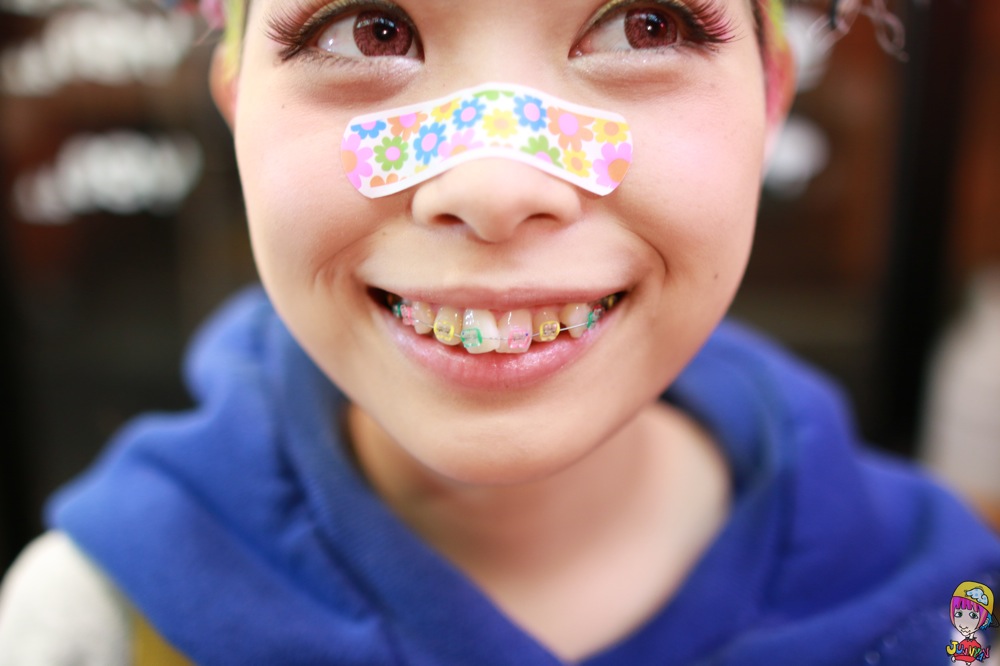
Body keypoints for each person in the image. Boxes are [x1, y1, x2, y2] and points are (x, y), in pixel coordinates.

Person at [1, 0, 999, 663]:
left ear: (770, 99)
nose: (493, 185)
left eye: (645, 23)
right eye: (367, 29)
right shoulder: (94, 626)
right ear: (237, 109)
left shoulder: (951, 615)